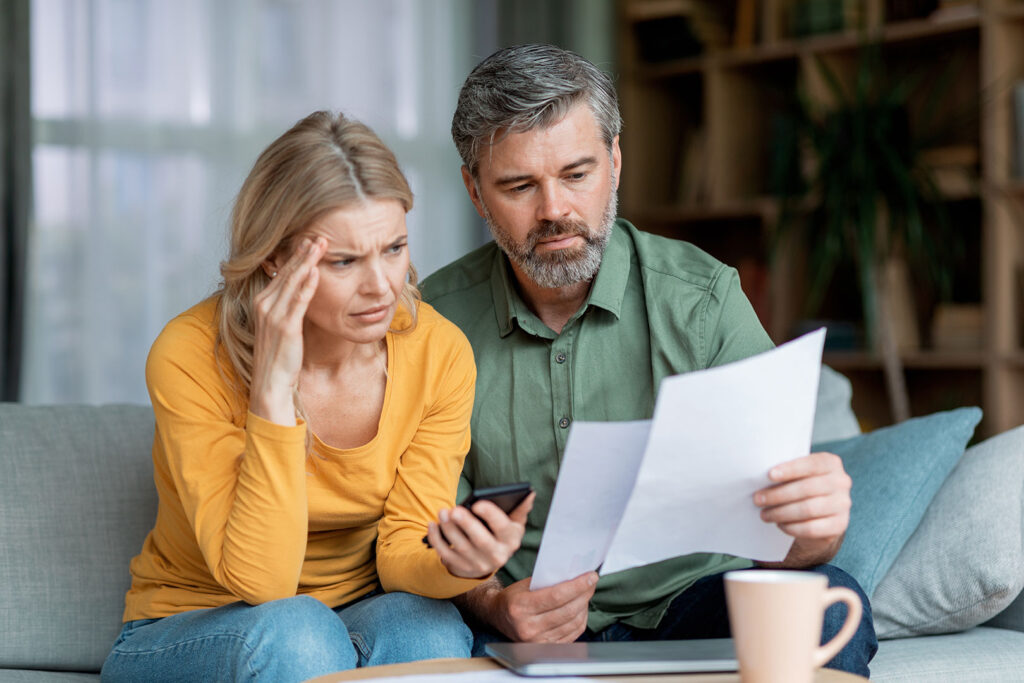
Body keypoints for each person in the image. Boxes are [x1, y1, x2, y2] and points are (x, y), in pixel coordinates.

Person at [420, 44, 878, 677]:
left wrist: (817, 530)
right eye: (519, 185)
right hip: (514, 618)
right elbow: (421, 532)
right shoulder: (429, 321)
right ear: (475, 191)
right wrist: (495, 604)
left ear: (615, 161)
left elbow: (783, 543)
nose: (554, 210)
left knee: (831, 604)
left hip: (689, 599)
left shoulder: (704, 299)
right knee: (416, 634)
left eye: (577, 174)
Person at [101, 111, 533, 683]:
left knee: (427, 630)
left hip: (353, 614)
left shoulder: (438, 350)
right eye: (344, 261)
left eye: (394, 247)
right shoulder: (188, 353)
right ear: (275, 259)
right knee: (299, 634)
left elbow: (403, 550)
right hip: (193, 625)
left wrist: (461, 565)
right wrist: (273, 390)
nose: (381, 287)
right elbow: (262, 582)